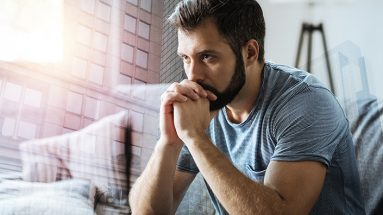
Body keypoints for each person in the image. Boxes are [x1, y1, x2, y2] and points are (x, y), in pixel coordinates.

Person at [129, 0, 365, 214]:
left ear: (250, 52)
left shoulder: (306, 102)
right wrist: (168, 142)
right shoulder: (202, 106)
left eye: (208, 57)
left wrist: (195, 138)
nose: (193, 74)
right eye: (186, 58)